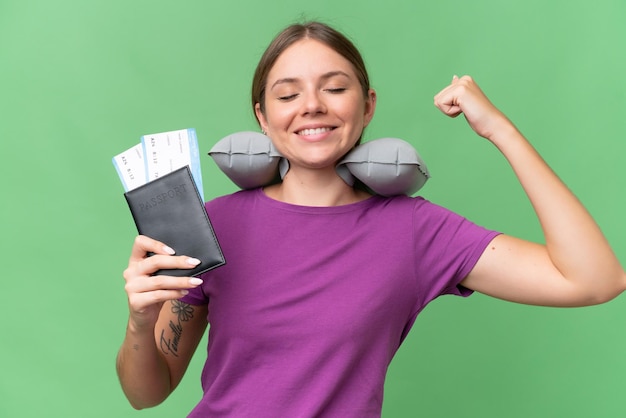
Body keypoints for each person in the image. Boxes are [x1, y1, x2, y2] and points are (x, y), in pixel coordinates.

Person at [116, 21, 626, 417]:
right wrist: (140, 320)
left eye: (334, 88)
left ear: (368, 106)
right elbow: (147, 393)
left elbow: (595, 280)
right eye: (288, 95)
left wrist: (500, 130)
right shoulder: (211, 224)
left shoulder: (415, 231)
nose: (311, 106)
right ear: (263, 118)